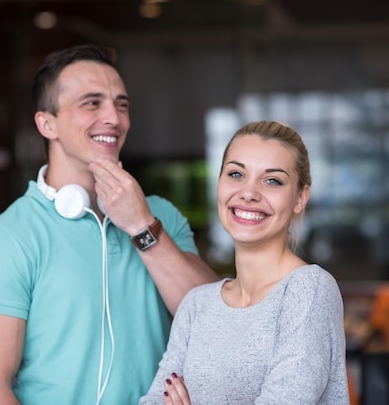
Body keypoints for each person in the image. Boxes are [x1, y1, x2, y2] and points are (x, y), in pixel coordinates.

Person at [0, 44, 218, 405]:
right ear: (47, 123)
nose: (114, 118)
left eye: (121, 104)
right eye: (92, 103)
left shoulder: (162, 217)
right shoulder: (6, 241)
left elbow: (216, 325)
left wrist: (141, 224)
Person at [139, 121, 349, 404]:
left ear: (301, 198)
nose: (249, 192)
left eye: (272, 180)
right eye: (236, 174)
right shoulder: (196, 305)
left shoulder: (308, 290)